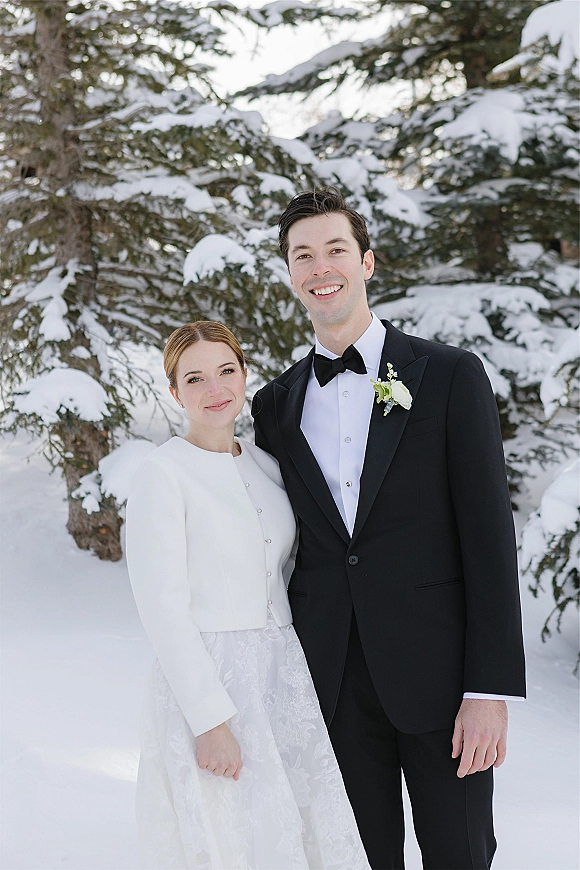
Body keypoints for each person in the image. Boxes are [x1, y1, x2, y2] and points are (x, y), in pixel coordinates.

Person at [251, 189, 526, 870]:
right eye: (302, 255)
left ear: (367, 262)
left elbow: (489, 537)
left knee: (461, 855)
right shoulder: (274, 406)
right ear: (290, 275)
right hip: (333, 687)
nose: (321, 266)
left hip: (441, 686)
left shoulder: (450, 375)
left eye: (335, 249)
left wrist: (488, 690)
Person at [125, 320, 370, 870]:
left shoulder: (267, 466)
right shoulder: (162, 475)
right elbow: (163, 610)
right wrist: (210, 722)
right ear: (174, 392)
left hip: (282, 675)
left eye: (226, 371)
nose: (215, 390)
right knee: (231, 837)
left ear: (243, 374)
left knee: (296, 833)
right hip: (211, 678)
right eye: (195, 379)